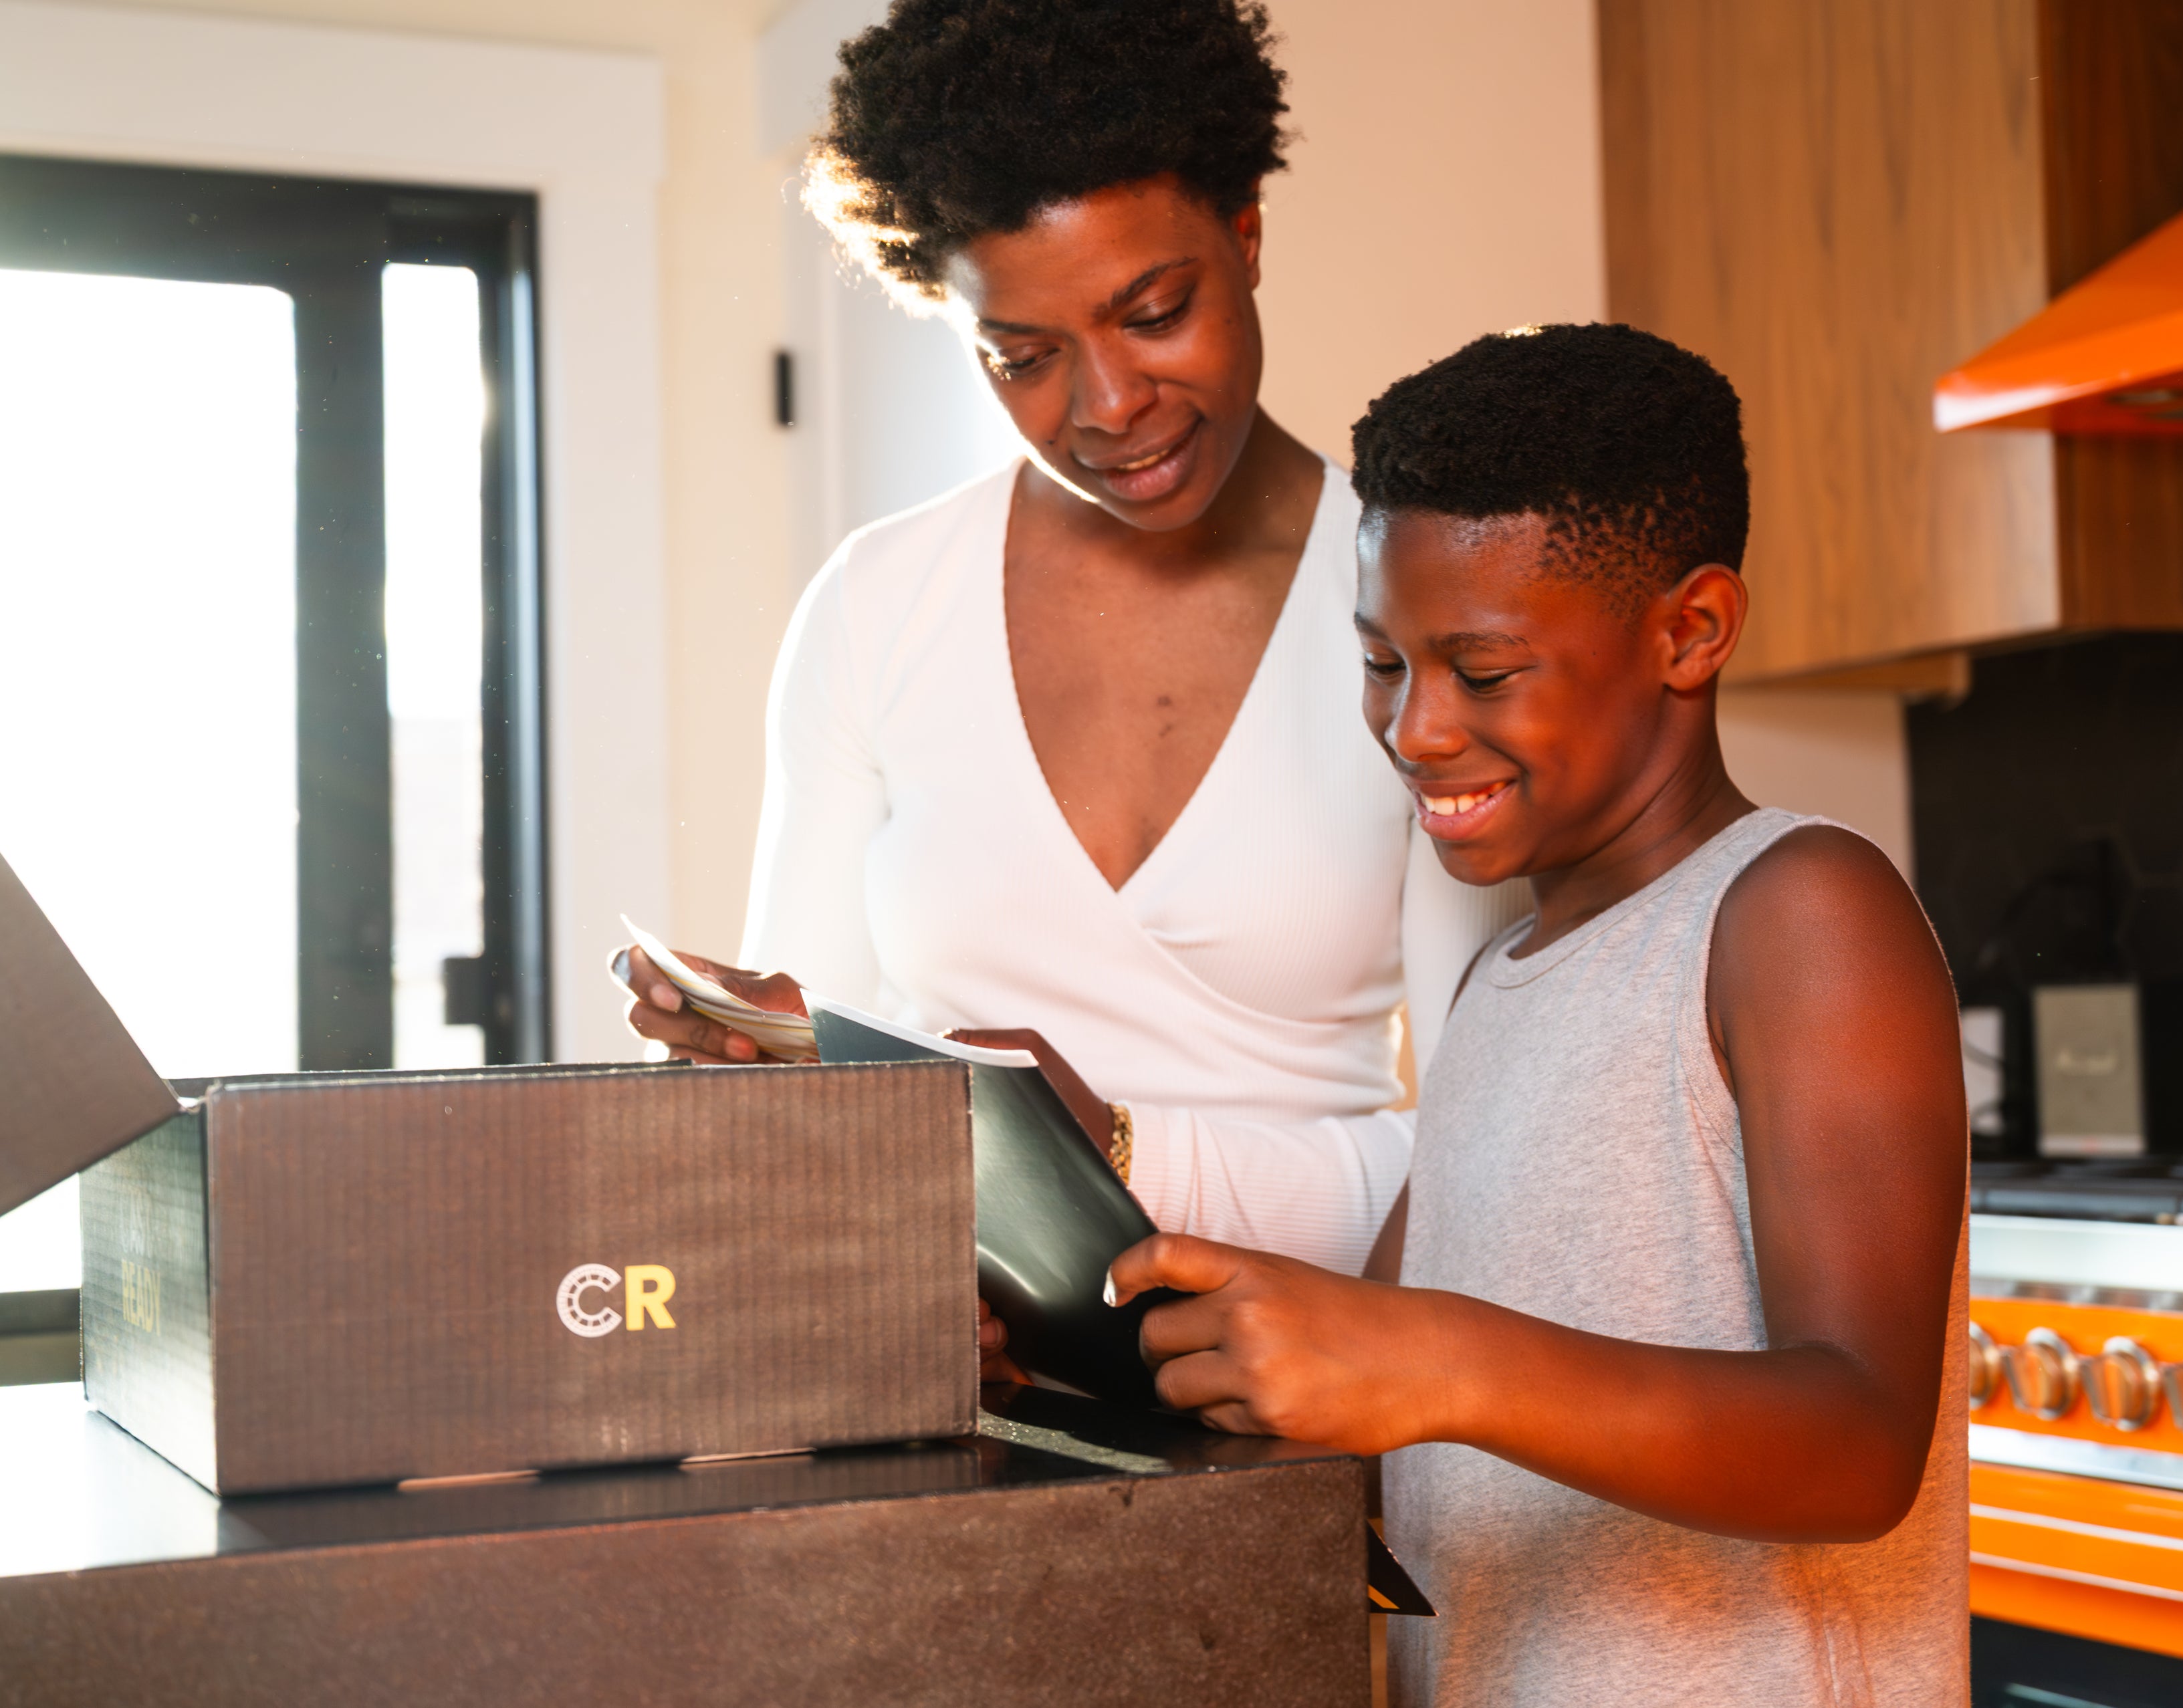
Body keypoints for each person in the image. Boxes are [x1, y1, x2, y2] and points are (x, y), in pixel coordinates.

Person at [1107, 324, 1969, 1705]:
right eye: (1385, 663)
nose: (1416, 730)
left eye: (1484, 671)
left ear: (1691, 632)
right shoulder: (1497, 983)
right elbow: (1363, 1368)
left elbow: (1860, 1441)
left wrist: (1438, 1361)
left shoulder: (1798, 912)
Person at [616, 0, 1520, 1281]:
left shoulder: (1422, 610)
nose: (1110, 408)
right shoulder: (879, 604)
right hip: (973, 1406)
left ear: (1246, 235)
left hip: (1316, 1396)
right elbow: (803, 1142)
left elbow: (1494, 1165)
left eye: (1153, 312)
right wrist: (756, 1062)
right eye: (1025, 354)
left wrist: (1114, 1149)